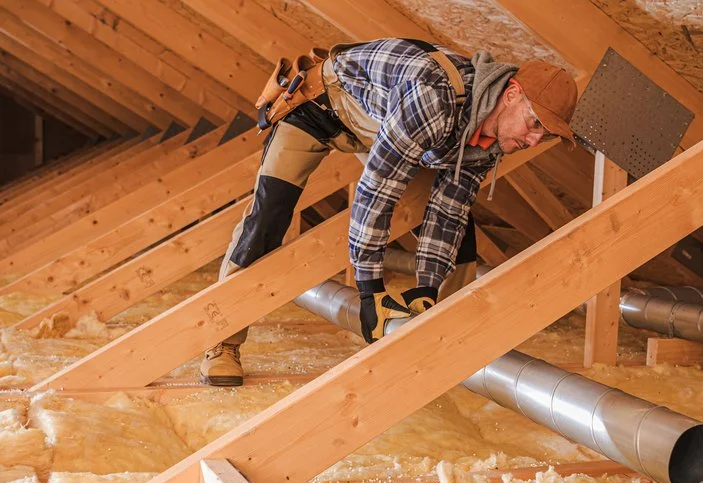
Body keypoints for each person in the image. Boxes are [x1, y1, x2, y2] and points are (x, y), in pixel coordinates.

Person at [200, 37, 579, 387]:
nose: (533, 141)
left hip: (380, 124)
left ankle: (445, 336)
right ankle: (222, 342)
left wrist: (425, 289)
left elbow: (448, 211)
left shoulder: (491, 138)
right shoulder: (436, 96)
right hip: (318, 108)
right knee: (268, 216)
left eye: (544, 136)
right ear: (511, 94)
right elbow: (377, 190)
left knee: (461, 230)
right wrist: (370, 292)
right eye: (535, 125)